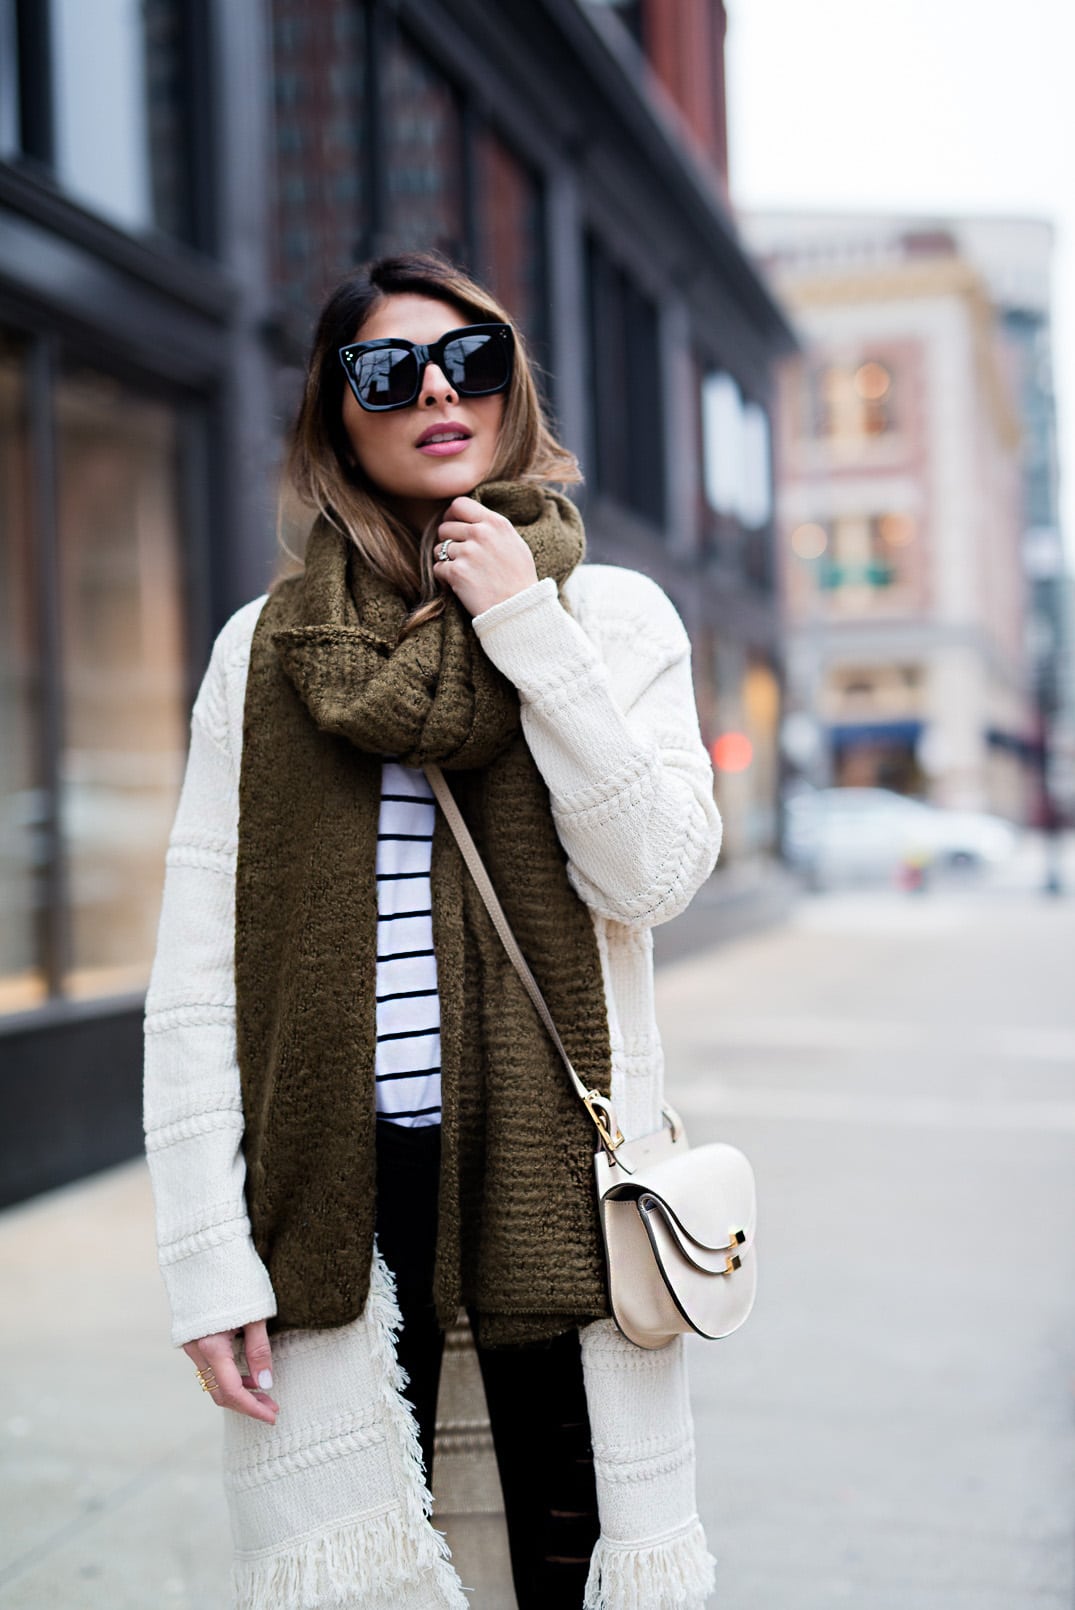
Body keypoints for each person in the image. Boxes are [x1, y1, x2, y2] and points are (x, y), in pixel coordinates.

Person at [143, 249, 723, 1610]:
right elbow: (195, 976)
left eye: (471, 360)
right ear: (335, 411)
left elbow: (649, 874)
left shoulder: (610, 614)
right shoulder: (266, 650)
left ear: (512, 384)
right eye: (386, 371)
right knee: (384, 1570)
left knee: (567, 1551)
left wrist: (521, 617)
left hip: (557, 1182)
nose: (435, 394)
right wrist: (203, 1254)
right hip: (342, 1177)